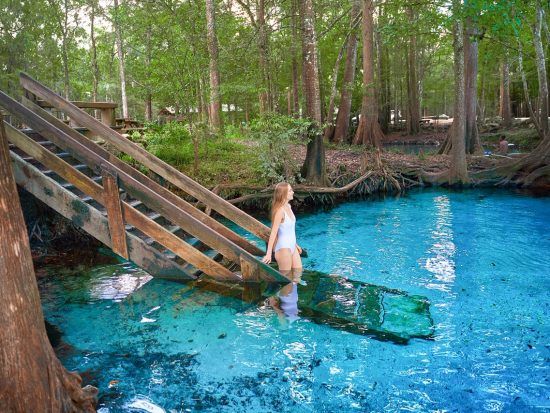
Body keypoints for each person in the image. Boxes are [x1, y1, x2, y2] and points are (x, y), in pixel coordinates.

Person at [262, 182, 303, 283]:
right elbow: (274, 233)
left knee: (298, 275)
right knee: (286, 280)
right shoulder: (280, 211)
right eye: (290, 190)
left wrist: (296, 244)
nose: (293, 192)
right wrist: (268, 253)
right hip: (283, 248)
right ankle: (274, 297)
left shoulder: (288, 207)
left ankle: (278, 297)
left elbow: (289, 230)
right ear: (283, 194)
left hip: (292, 246)